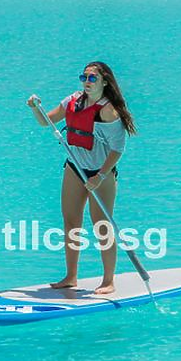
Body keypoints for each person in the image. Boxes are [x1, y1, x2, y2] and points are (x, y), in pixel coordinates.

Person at [26, 62, 136, 295]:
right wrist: (36, 107)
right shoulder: (73, 101)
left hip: (101, 172)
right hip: (75, 167)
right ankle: (71, 277)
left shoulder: (107, 111)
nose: (87, 81)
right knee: (71, 223)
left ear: (104, 82)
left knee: (102, 226)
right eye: (84, 77)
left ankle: (108, 281)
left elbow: (118, 149)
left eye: (93, 78)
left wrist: (101, 175)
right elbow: (46, 120)